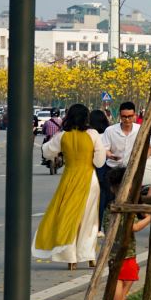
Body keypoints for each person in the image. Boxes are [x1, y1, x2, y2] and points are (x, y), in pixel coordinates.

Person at [32, 104, 109, 267]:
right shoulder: (93, 134)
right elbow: (100, 160)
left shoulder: (62, 136)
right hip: (89, 179)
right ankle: (88, 255)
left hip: (69, 178)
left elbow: (47, 151)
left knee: (68, 215)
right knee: (88, 219)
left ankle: (70, 258)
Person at [111, 189, 151, 300]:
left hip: (112, 250)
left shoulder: (111, 204)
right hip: (126, 251)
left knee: (126, 275)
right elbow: (134, 227)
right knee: (122, 279)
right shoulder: (126, 207)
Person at [98, 101, 140, 226]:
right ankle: (109, 225)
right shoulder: (110, 131)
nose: (127, 120)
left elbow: (150, 147)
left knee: (130, 199)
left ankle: (128, 226)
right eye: (124, 117)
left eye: (129, 116)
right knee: (111, 199)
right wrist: (111, 155)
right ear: (120, 117)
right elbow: (104, 148)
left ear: (134, 116)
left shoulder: (140, 130)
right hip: (113, 170)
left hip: (131, 170)